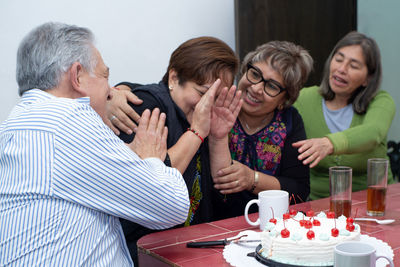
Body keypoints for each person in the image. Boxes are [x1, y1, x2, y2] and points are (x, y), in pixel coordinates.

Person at [0, 22, 190, 266]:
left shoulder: (17, 123)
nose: (111, 92)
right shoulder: (68, 120)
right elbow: (171, 205)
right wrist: (150, 157)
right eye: (104, 76)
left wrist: (129, 158)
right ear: (77, 75)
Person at [106, 36, 241, 263]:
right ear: (174, 77)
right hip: (148, 252)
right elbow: (151, 185)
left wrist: (218, 137)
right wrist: (197, 132)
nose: (206, 103)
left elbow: (223, 193)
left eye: (215, 96)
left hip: (193, 245)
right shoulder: (147, 106)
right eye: (202, 92)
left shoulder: (202, 115)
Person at [209, 41, 313, 219]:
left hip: (267, 223)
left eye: (272, 86)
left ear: (284, 99)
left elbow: (298, 191)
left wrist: (252, 179)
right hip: (209, 222)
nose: (256, 88)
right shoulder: (216, 103)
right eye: (255, 74)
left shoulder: (289, 121)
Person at [293, 31, 395, 200]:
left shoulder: (380, 101)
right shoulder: (304, 99)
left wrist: (329, 143)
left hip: (374, 205)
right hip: (318, 208)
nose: (341, 69)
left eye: (353, 66)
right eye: (338, 59)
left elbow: (373, 132)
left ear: (367, 79)